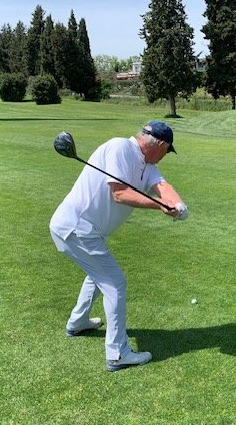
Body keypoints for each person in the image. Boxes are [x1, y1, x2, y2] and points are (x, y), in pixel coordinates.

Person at [49, 121, 188, 372]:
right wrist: (159, 206)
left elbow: (163, 187)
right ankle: (117, 353)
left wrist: (178, 205)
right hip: (76, 227)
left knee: (98, 276)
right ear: (160, 144)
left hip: (87, 232)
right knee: (115, 283)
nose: (165, 156)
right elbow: (119, 193)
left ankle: (78, 321)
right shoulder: (120, 147)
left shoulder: (148, 165)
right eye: (167, 151)